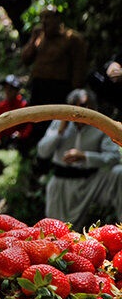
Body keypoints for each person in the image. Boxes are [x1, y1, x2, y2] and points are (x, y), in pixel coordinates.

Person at [37, 89, 122, 225]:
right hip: (61, 182)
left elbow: (113, 156)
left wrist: (85, 157)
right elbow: (42, 152)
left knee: (119, 172)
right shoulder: (60, 122)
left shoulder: (101, 125)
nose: (85, 111)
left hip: (92, 182)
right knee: (56, 228)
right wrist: (60, 131)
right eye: (81, 107)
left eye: (89, 107)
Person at [21, 8, 87, 108]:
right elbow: (26, 59)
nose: (44, 21)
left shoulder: (71, 38)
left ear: (57, 19)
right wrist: (33, 39)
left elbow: (79, 68)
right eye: (41, 18)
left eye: (47, 17)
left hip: (60, 87)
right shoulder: (39, 37)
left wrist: (75, 93)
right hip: (39, 87)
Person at [0, 75, 35, 148]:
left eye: (11, 89)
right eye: (6, 88)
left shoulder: (23, 105)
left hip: (18, 140)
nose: (7, 92)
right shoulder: (1, 105)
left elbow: (28, 125)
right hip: (4, 139)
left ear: (16, 90)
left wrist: (21, 134)